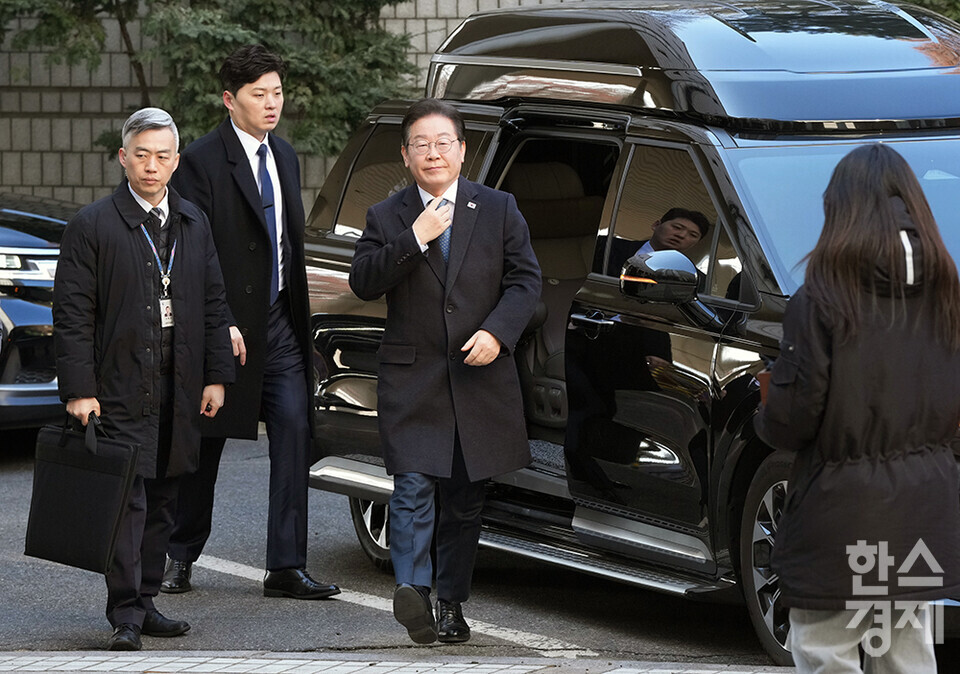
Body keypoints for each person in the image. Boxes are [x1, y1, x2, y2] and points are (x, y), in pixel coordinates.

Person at [755, 143, 960, 673]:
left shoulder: (820, 299)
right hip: (921, 509)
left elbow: (793, 421)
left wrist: (767, 403)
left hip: (842, 512)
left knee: (826, 648)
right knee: (905, 650)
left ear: (839, 209)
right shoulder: (948, 296)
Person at [349, 98, 541, 644]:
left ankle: (451, 604)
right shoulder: (386, 215)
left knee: (463, 499)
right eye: (421, 145)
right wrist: (416, 236)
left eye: (442, 143)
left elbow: (525, 281)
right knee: (411, 487)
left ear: (461, 150)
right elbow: (363, 280)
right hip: (413, 381)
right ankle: (413, 590)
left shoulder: (498, 207)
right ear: (405, 155)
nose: (432, 153)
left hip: (478, 378)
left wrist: (497, 332)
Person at [160, 44, 339, 600]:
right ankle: (179, 554)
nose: (271, 103)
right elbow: (193, 251)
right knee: (207, 443)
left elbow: (286, 241)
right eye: (258, 94)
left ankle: (286, 565)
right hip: (226, 326)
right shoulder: (200, 161)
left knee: (294, 431)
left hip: (280, 321)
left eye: (277, 92)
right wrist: (220, 322)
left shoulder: (284, 155)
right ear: (228, 99)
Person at [53, 107, 234, 651]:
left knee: (163, 496)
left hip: (179, 382)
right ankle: (126, 612)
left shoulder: (193, 222)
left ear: (176, 161)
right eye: (141, 155)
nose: (152, 166)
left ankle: (148, 600)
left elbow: (214, 302)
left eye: (162, 156)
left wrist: (216, 376)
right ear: (123, 158)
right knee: (127, 500)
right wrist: (80, 390)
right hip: (119, 384)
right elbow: (73, 315)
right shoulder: (93, 225)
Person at [602, 207, 710, 275]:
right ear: (656, 225)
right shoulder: (606, 246)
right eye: (677, 227)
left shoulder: (695, 277)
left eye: (693, 235)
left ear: (696, 243)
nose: (681, 235)